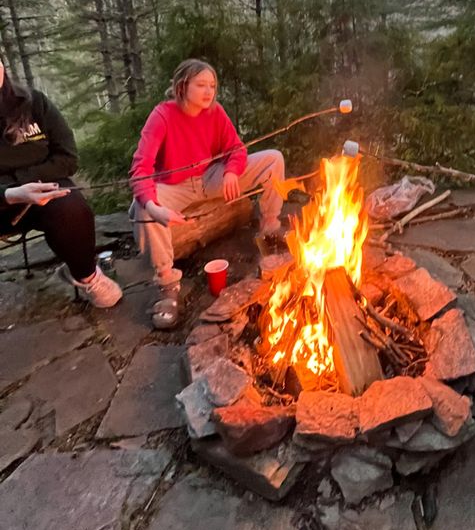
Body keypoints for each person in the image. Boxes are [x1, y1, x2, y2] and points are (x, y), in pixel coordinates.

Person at [130, 58, 285, 329]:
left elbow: (236, 148)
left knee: (273, 159)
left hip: (210, 178)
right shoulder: (162, 115)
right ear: (181, 86)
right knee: (142, 206)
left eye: (212, 85)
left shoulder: (215, 112)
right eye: (201, 85)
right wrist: (154, 207)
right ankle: (167, 285)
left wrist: (231, 172)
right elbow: (140, 168)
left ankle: (269, 229)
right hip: (174, 186)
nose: (208, 91)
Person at [0, 61, 122, 307]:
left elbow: (67, 158)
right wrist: (13, 192)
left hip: (43, 190)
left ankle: (86, 275)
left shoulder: (33, 103)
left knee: (71, 207)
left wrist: (28, 182)